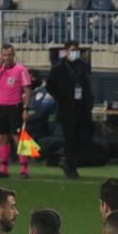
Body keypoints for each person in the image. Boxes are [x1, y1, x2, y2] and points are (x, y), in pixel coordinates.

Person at [0, 44, 32, 179]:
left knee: (18, 139)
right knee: (2, 138)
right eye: (4, 55)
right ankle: (3, 168)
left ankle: (24, 169)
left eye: (9, 55)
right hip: (1, 107)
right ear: (1, 56)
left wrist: (26, 108)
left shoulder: (21, 70)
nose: (7, 58)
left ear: (13, 55)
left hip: (15, 107)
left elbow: (27, 90)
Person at [46, 40, 93, 179]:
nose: (74, 53)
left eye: (76, 50)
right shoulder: (58, 67)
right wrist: (60, 96)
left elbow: (86, 85)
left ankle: (69, 161)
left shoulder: (82, 66)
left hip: (80, 107)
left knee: (80, 138)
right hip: (66, 107)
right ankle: (70, 165)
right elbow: (50, 85)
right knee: (69, 138)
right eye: (72, 50)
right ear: (66, 51)